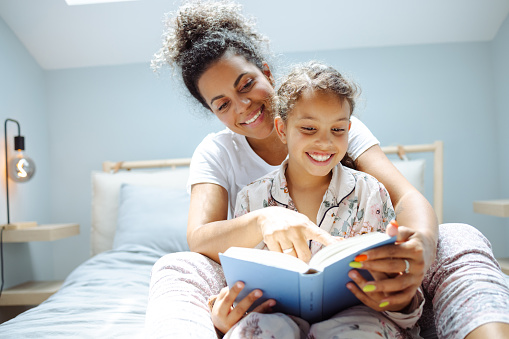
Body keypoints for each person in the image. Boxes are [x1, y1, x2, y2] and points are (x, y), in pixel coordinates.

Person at [145, 1, 509, 338]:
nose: (243, 106)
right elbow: (200, 238)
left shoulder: (336, 128)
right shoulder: (218, 152)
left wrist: (421, 249)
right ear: (212, 111)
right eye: (223, 104)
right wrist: (263, 219)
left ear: (265, 72)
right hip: (264, 299)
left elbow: (406, 197)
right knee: (176, 266)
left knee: (459, 235)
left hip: (365, 302)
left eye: (247, 84)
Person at [209, 61, 425, 338]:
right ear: (282, 129)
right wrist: (229, 316)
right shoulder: (251, 198)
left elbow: (401, 295)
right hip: (275, 319)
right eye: (309, 129)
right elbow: (242, 284)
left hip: (360, 321)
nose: (325, 143)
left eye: (338, 130)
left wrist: (401, 300)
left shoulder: (371, 191)